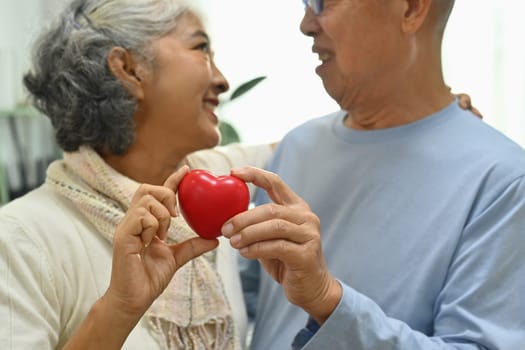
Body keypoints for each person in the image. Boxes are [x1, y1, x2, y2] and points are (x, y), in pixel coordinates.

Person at [221, 0, 525, 349]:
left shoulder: (504, 182)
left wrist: (328, 301)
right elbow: (235, 309)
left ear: (411, 9)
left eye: (324, 3)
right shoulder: (296, 147)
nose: (306, 24)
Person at [0, 0, 273, 349]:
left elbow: (325, 137)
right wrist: (119, 309)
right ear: (128, 70)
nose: (222, 80)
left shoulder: (214, 177)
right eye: (200, 47)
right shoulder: (19, 239)